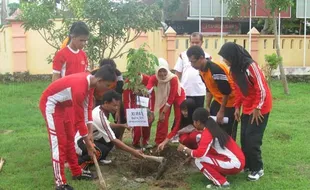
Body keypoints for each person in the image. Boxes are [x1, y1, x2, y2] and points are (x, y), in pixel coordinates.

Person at [39, 65, 116, 190]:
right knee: (59, 143)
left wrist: (90, 132)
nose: (107, 89)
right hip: (51, 104)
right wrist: (88, 144)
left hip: (63, 106)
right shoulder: (80, 88)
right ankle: (60, 183)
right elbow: (80, 120)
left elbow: (87, 108)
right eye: (107, 85)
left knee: (70, 139)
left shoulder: (91, 84)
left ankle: (77, 172)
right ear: (100, 80)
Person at [218, 42, 272, 181]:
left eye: (226, 57)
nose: (224, 61)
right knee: (244, 137)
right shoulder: (234, 69)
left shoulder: (250, 66)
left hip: (260, 108)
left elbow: (262, 88)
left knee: (252, 139)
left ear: (233, 56)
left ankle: (258, 169)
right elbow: (238, 90)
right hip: (248, 107)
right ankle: (248, 165)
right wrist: (237, 107)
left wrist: (258, 108)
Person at [177, 108, 245, 189]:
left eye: (194, 122)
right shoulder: (212, 126)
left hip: (234, 163)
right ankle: (221, 175)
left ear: (198, 122)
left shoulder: (207, 132)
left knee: (199, 160)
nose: (194, 124)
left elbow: (199, 154)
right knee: (204, 156)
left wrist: (184, 148)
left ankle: (222, 183)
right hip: (238, 161)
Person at [75, 90, 144, 169]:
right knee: (99, 152)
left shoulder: (101, 109)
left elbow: (107, 125)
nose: (116, 108)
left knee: (115, 133)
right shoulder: (99, 116)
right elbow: (113, 139)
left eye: (118, 106)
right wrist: (133, 151)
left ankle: (100, 157)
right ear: (106, 103)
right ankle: (79, 163)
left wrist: (122, 125)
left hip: (93, 138)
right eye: (114, 105)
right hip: (81, 142)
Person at [187, 46, 237, 139]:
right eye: (190, 62)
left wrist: (222, 111)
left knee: (226, 131)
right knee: (211, 126)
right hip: (218, 100)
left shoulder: (215, 69)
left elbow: (226, 91)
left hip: (230, 102)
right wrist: (208, 106)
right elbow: (209, 89)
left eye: (193, 61)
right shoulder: (201, 70)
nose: (192, 65)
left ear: (201, 58)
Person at [146, 58, 185, 148]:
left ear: (167, 70)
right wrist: (143, 91)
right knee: (162, 120)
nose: (162, 74)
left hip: (178, 96)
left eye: (164, 71)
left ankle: (180, 139)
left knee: (179, 118)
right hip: (164, 97)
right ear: (156, 71)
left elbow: (171, 97)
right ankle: (160, 141)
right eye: (160, 71)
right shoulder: (154, 78)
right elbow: (148, 88)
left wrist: (164, 112)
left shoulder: (173, 78)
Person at [174, 32, 211, 108]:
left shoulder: (207, 57)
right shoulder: (182, 55)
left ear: (202, 42)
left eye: (197, 42)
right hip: (185, 91)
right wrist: (177, 88)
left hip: (200, 91)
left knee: (198, 116)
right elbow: (177, 74)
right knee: (185, 116)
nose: (194, 44)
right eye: (192, 42)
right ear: (189, 42)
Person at [123, 74, 155, 149]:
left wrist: (151, 110)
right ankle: (136, 142)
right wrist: (129, 113)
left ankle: (145, 142)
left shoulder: (148, 79)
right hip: (135, 103)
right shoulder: (128, 82)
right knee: (137, 124)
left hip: (146, 102)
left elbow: (152, 96)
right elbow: (127, 99)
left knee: (148, 122)